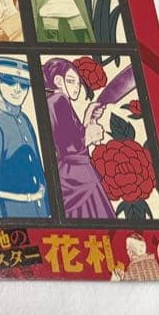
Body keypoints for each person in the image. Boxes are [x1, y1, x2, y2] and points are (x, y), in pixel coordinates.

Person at [0, 57, 49, 218]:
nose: (17, 89)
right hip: (9, 212)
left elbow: (38, 170)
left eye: (24, 85)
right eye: (10, 82)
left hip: (37, 210)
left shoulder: (24, 119)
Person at [43, 57, 116, 219]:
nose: (76, 87)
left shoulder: (52, 101)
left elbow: (71, 137)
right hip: (76, 178)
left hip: (70, 175)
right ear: (58, 81)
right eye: (71, 81)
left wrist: (88, 118)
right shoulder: (59, 99)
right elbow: (71, 147)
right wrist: (90, 133)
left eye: (78, 83)